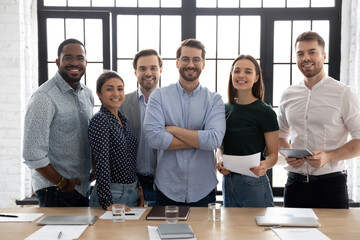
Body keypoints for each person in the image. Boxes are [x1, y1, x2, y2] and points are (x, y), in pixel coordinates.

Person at [278, 31, 360, 209]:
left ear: (323, 56)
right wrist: (288, 154)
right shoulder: (288, 94)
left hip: (331, 186)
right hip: (294, 186)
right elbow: (280, 136)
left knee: (333, 237)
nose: (305, 58)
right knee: (291, 237)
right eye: (300, 54)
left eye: (312, 52)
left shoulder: (344, 93)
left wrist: (328, 156)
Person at [144, 39, 226, 207]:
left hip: (203, 190)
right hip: (167, 189)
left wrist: (172, 129)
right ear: (177, 62)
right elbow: (153, 139)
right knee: (165, 234)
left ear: (203, 64)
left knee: (204, 235)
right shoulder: (158, 97)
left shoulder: (214, 100)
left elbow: (214, 140)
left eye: (196, 59)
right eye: (185, 59)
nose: (191, 64)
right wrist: (198, 140)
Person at [23, 38, 94, 207]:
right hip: (56, 191)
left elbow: (86, 136)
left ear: (86, 62)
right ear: (58, 62)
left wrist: (92, 168)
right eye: (68, 57)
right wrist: (63, 183)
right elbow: (32, 154)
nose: (74, 62)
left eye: (80, 58)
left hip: (82, 188)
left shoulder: (87, 94)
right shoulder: (44, 97)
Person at [216, 55, 279, 207]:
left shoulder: (266, 112)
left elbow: (273, 155)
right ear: (232, 75)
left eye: (248, 72)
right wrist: (219, 160)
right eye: (237, 71)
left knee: (257, 230)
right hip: (228, 181)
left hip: (253, 181)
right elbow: (220, 147)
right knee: (231, 230)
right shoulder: (222, 109)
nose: (241, 75)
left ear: (256, 78)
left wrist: (265, 165)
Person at [88, 71, 145, 210]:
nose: (116, 93)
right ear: (99, 94)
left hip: (131, 192)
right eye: (109, 89)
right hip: (112, 194)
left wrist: (138, 187)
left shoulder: (124, 120)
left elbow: (130, 159)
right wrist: (107, 202)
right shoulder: (100, 119)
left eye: (120, 88)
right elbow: (102, 163)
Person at [119, 49, 162, 207]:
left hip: (163, 183)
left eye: (153, 68)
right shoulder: (122, 103)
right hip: (131, 183)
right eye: (142, 68)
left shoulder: (171, 103)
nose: (148, 73)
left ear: (160, 70)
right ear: (135, 72)